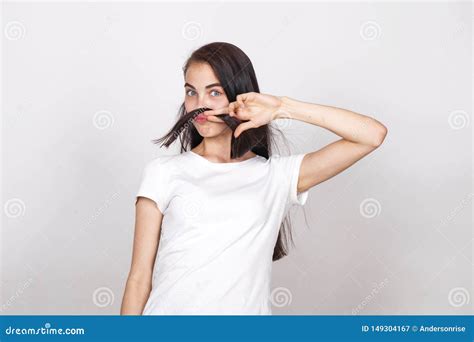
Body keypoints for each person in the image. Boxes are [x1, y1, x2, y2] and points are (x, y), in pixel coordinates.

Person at [120, 42, 387, 315]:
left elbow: (371, 135)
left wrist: (282, 107)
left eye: (215, 92)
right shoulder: (163, 172)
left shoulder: (276, 176)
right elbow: (139, 279)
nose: (199, 106)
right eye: (191, 92)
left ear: (239, 95)